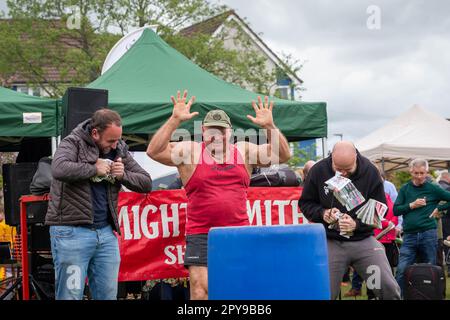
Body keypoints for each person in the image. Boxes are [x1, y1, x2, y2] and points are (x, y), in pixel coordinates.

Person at [147, 90, 291, 300]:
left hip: (238, 231)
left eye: (222, 130)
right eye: (212, 131)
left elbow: (283, 154)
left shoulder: (243, 151)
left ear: (229, 132)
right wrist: (174, 120)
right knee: (200, 290)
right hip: (201, 232)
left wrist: (270, 126)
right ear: (203, 131)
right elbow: (154, 151)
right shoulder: (190, 152)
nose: (217, 135)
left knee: (238, 288)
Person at [45, 109, 152, 300]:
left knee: (108, 296)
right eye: (110, 140)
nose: (114, 146)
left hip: (105, 234)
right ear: (95, 133)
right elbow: (58, 168)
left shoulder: (118, 148)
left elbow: (146, 182)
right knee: (70, 296)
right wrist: (94, 169)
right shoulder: (72, 142)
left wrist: (123, 175)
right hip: (71, 233)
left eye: (117, 140)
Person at [299, 141, 400, 300]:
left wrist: (356, 224)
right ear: (331, 158)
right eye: (339, 169)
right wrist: (323, 213)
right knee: (323, 292)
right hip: (331, 240)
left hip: (363, 240)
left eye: (348, 169)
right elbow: (305, 203)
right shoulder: (318, 170)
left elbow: (381, 208)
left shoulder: (370, 171)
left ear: (356, 157)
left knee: (387, 287)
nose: (344, 173)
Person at [394, 159, 450, 296]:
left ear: (427, 172)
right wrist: (411, 205)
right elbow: (395, 210)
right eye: (416, 173)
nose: (419, 176)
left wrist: (439, 208)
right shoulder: (405, 189)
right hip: (409, 236)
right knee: (402, 269)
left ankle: (430, 296)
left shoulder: (433, 188)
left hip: (428, 234)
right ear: (410, 171)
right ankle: (399, 296)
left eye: (422, 173)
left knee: (430, 268)